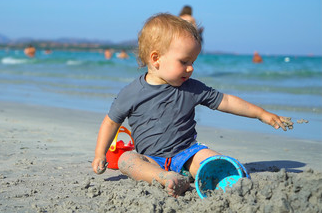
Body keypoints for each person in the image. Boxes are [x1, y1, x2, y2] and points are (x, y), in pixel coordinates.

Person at [92, 13, 292, 198]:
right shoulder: (131, 93)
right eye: (184, 61)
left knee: (207, 157)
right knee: (127, 160)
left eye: (193, 61)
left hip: (186, 154)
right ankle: (164, 178)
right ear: (156, 58)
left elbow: (227, 101)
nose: (191, 68)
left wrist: (261, 114)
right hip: (151, 159)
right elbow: (111, 122)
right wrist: (100, 154)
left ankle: (220, 177)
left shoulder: (192, 88)